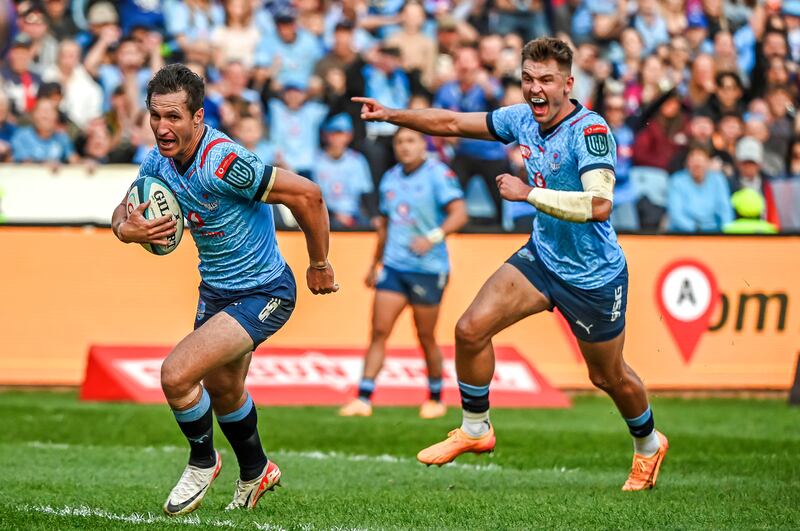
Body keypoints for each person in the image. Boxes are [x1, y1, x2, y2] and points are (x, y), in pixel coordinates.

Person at [353, 37, 669, 491]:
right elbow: (449, 122)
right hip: (541, 258)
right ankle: (476, 429)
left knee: (607, 375)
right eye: (527, 79)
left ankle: (647, 444)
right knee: (470, 329)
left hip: (593, 275)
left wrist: (529, 195)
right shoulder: (520, 118)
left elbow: (600, 206)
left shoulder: (591, 130)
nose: (535, 89)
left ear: (568, 83)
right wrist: (391, 114)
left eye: (546, 80)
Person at [110, 64, 338, 515]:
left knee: (176, 375)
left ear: (198, 117)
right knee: (226, 390)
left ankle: (202, 459)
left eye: (173, 117)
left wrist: (319, 263)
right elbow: (124, 207)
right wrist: (125, 230)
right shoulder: (158, 159)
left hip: (265, 291)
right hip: (215, 292)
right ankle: (257, 470)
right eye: (155, 116)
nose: (161, 127)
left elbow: (308, 195)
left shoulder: (226, 163)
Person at [339, 127, 467, 419]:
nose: (404, 147)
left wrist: (433, 237)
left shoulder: (438, 173)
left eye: (411, 140)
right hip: (395, 266)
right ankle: (364, 396)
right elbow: (385, 226)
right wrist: (376, 263)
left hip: (428, 268)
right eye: (399, 142)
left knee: (425, 336)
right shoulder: (391, 178)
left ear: (424, 144)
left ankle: (435, 396)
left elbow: (459, 212)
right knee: (379, 331)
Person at [312, 113, 375, 229]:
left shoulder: (357, 160)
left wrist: (374, 217)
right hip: (325, 214)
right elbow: (312, 198)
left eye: (341, 133)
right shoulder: (314, 161)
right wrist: (335, 214)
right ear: (325, 135)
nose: (336, 138)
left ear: (349, 135)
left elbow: (365, 194)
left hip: (355, 215)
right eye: (332, 133)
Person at [667, 143, 733, 232]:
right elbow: (676, 214)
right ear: (687, 163)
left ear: (708, 163)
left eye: (700, 163)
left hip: (712, 232)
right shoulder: (677, 181)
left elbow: (725, 210)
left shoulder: (718, 179)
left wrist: (727, 232)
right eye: (694, 162)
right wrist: (696, 231)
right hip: (682, 233)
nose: (697, 166)